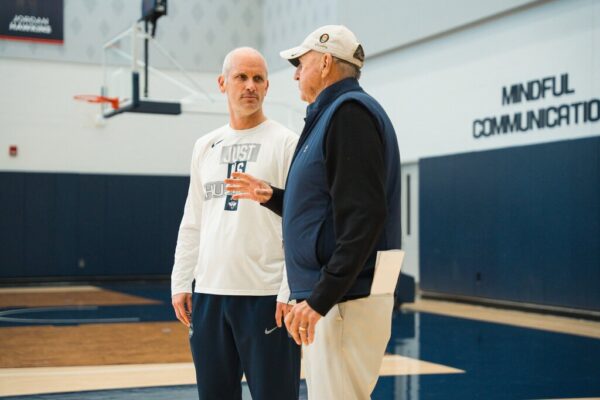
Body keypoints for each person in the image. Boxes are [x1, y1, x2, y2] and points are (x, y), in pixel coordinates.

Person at [225, 26, 401, 400]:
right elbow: (328, 207)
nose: (294, 74)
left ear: (324, 63)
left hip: (345, 299)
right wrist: (272, 196)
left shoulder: (348, 114)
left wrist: (321, 297)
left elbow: (363, 217)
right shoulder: (333, 115)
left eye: (300, 64)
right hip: (341, 297)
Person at [171, 47, 300, 400]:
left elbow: (299, 223)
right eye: (241, 77)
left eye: (258, 78)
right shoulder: (205, 145)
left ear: (267, 87)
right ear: (222, 83)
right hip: (210, 296)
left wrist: (290, 290)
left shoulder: (286, 143)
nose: (250, 86)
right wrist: (181, 280)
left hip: (266, 296)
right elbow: (192, 219)